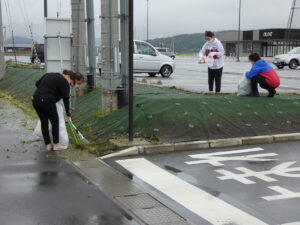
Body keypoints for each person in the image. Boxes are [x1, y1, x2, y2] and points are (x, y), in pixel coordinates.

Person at [32, 70, 84, 150]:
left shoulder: (49, 74)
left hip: (36, 100)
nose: (75, 85)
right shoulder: (64, 82)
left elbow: (36, 83)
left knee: (44, 122)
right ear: (73, 79)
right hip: (47, 101)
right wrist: (68, 113)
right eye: (77, 83)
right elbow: (66, 98)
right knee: (55, 122)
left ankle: (48, 144)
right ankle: (56, 144)